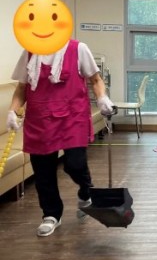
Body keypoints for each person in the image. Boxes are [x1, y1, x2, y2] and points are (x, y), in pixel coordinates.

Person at [6, 39, 114, 237]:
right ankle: (51, 214)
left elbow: (96, 79)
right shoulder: (30, 53)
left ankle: (85, 191)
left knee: (75, 164)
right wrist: (13, 111)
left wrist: (102, 98)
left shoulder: (78, 49)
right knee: (43, 171)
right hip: (40, 120)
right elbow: (22, 88)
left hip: (72, 117)